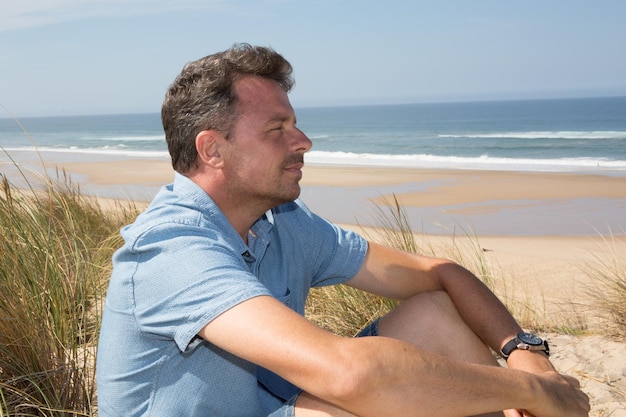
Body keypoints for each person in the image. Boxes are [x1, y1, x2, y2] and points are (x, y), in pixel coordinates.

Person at [96, 43, 590, 417]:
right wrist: (531, 390)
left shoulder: (283, 224)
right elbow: (352, 374)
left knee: (434, 315)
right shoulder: (170, 251)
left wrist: (524, 353)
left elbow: (441, 273)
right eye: (277, 129)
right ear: (213, 150)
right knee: (375, 385)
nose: (304, 142)